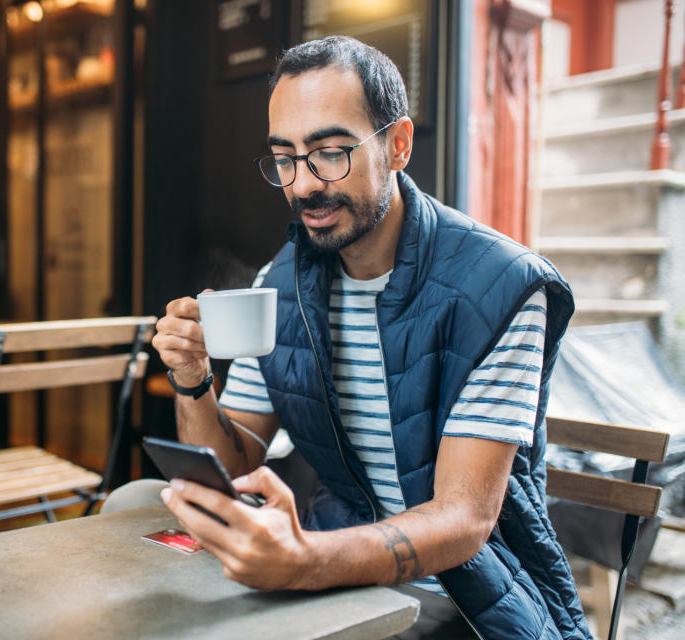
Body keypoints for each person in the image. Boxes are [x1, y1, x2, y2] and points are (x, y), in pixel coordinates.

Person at [135, 36, 590, 640]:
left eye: (329, 152)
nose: (302, 186)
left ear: (398, 144)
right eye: (286, 159)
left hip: (465, 590)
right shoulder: (284, 283)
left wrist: (304, 563)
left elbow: (464, 521)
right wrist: (194, 381)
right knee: (135, 507)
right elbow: (236, 463)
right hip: (334, 563)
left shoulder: (502, 287)